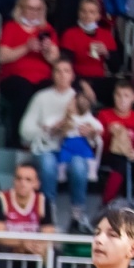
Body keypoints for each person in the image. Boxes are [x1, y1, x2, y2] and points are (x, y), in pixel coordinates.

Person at [19, 57, 94, 232]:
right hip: (47, 148)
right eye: (58, 71)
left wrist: (88, 132)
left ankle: (77, 215)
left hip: (72, 150)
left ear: (72, 75)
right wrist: (48, 129)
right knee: (47, 163)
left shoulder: (79, 100)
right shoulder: (41, 97)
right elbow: (25, 130)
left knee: (78, 165)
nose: (62, 75)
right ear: (53, 74)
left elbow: (91, 128)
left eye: (66, 71)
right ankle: (48, 212)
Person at [0, 0, 60, 148]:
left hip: (41, 78)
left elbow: (56, 61)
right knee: (23, 90)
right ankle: (18, 139)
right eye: (30, 8)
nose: (34, 13)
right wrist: (26, 47)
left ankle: (45, 140)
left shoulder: (48, 30)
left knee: (48, 91)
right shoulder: (11, 27)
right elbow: (2, 57)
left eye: (38, 9)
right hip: (14, 77)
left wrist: (47, 51)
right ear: (22, 8)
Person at [0, 161, 55, 258]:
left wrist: (40, 246)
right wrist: (21, 243)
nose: (22, 183)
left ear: (37, 184)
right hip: (9, 252)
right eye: (19, 178)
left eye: (28, 180)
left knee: (54, 253)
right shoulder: (1, 198)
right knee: (0, 250)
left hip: (32, 253)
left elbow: (48, 234)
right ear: (13, 181)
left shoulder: (43, 201)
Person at [61, 0, 118, 106]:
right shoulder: (70, 34)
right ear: (79, 13)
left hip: (99, 79)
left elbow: (116, 67)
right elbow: (66, 66)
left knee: (117, 87)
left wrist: (106, 53)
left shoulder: (105, 35)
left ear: (98, 15)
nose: (87, 15)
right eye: (84, 11)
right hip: (77, 79)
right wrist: (83, 84)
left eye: (92, 12)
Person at [100, 83, 134, 205]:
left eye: (126, 96)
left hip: (132, 154)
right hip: (111, 154)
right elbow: (99, 144)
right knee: (119, 165)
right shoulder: (104, 115)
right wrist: (109, 133)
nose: (122, 100)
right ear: (114, 96)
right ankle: (106, 203)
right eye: (118, 95)